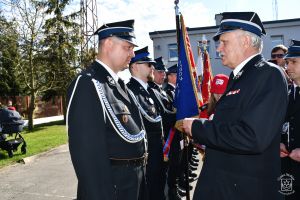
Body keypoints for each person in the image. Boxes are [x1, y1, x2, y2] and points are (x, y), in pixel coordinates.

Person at [182, 12, 288, 200]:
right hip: (224, 186)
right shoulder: (239, 77)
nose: (218, 49)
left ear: (246, 41)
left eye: (224, 42)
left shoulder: (268, 75)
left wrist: (199, 128)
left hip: (244, 190)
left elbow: (252, 137)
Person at [66, 19, 148, 200]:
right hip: (113, 188)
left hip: (133, 184)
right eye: (128, 47)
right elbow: (87, 155)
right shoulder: (88, 84)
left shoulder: (118, 85)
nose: (132, 53)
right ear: (109, 43)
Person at [127, 46, 166, 200]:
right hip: (146, 157)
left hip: (157, 154)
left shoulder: (148, 91)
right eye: (149, 64)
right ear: (135, 66)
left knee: (158, 188)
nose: (153, 67)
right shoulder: (130, 91)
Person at [280, 39, 300, 199]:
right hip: (286, 168)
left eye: (293, 62)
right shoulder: (285, 93)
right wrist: (278, 143)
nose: (288, 67)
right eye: (287, 62)